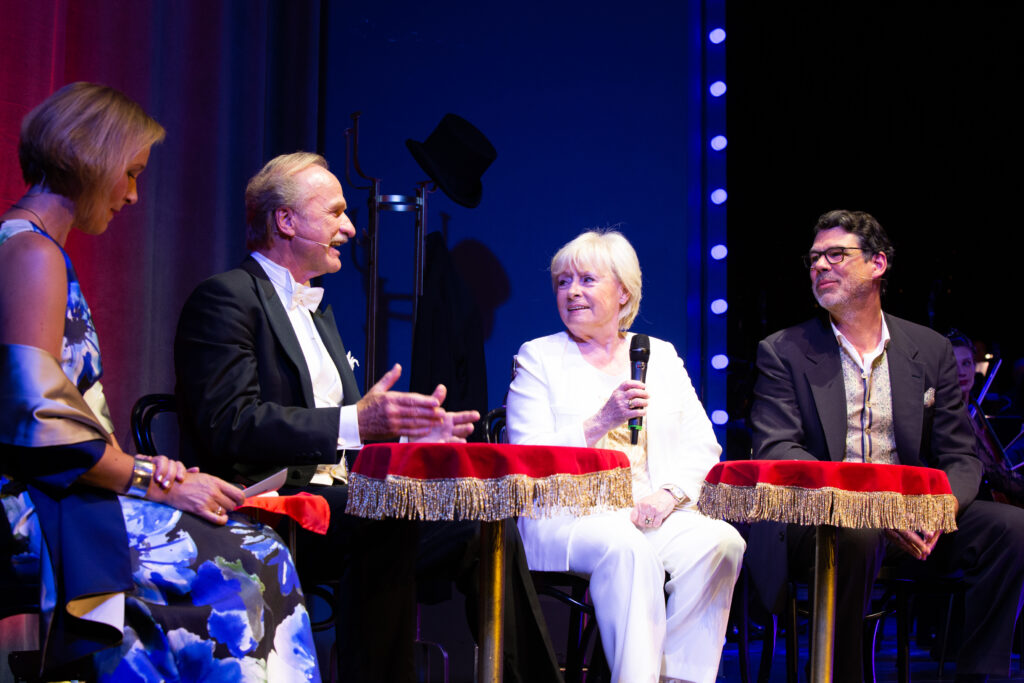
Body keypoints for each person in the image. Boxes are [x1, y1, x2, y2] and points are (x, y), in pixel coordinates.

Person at [173, 152, 563, 683]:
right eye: (335, 213)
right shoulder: (225, 299)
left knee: (483, 518)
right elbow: (230, 424)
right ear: (286, 221)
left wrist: (410, 435)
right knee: (386, 515)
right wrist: (358, 422)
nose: (350, 228)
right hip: (267, 502)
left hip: (343, 496)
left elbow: (351, 434)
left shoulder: (320, 313)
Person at [0, 83, 318, 681]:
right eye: (130, 173)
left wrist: (155, 476)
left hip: (63, 481)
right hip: (29, 501)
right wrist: (152, 480)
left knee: (240, 543)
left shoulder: (27, 245)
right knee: (257, 558)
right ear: (92, 159)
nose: (132, 194)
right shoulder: (31, 253)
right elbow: (35, 415)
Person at [747, 209, 1024, 683]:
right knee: (857, 533)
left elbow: (960, 456)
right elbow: (777, 449)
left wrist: (936, 510)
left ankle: (982, 676)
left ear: (878, 264)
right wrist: (872, 508)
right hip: (821, 521)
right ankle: (840, 674)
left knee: (1011, 529)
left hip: (912, 520)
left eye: (836, 255)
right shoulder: (783, 350)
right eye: (814, 258)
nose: (820, 266)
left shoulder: (928, 347)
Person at [506, 229, 745, 683]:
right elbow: (527, 456)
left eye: (587, 280)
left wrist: (669, 496)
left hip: (648, 512)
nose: (571, 291)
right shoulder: (538, 357)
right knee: (627, 549)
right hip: (567, 518)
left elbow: (702, 444)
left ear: (624, 293)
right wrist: (600, 421)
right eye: (562, 281)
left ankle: (677, 678)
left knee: (722, 542)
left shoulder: (659, 355)